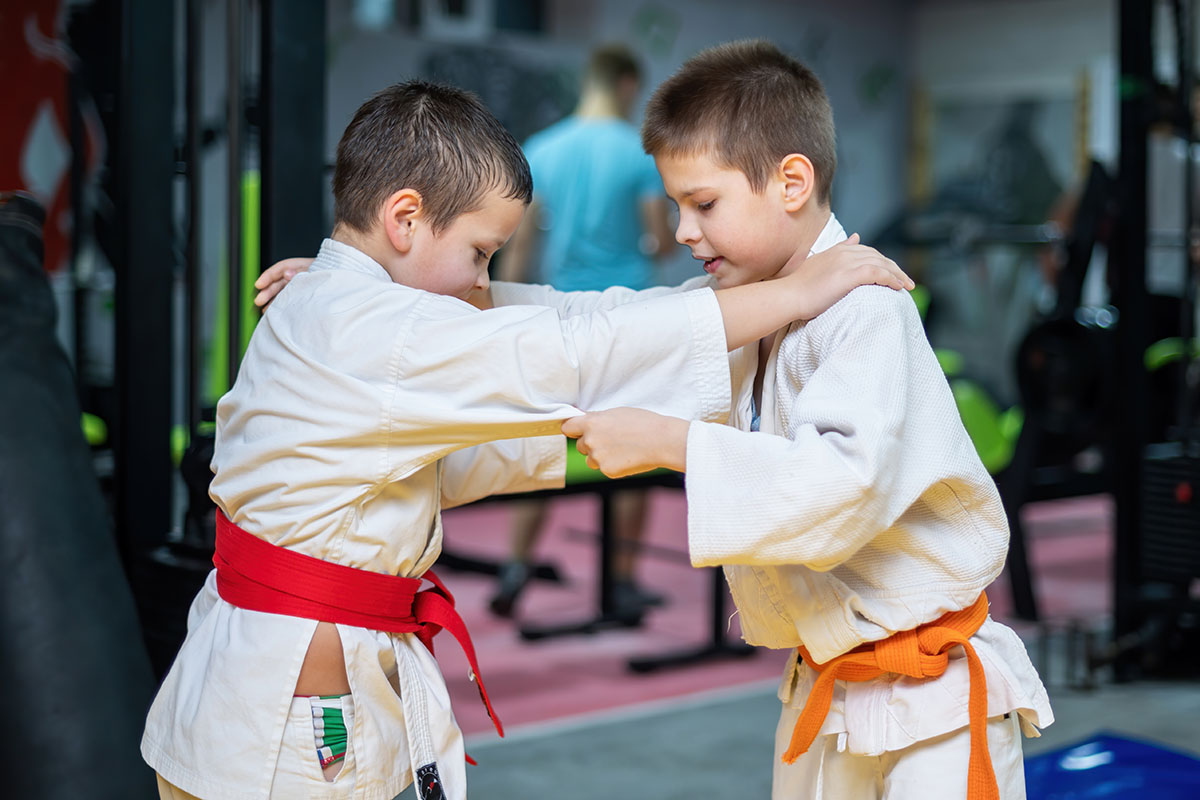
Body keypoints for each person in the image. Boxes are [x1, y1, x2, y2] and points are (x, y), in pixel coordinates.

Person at [145, 79, 911, 800]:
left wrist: (612, 425)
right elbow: (573, 348)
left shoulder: (338, 302)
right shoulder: (375, 328)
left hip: (256, 693)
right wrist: (794, 291)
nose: (484, 281)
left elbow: (533, 348)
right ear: (404, 220)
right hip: (287, 715)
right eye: (480, 252)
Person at [510, 41, 1054, 799]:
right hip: (824, 681)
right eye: (676, 207)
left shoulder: (865, 307)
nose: (684, 231)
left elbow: (841, 487)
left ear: (792, 182)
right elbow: (605, 326)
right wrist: (399, 295)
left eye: (702, 204)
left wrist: (674, 444)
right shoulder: (750, 309)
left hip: (931, 693)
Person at [488, 43, 676, 620]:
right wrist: (664, 238)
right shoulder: (637, 155)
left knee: (543, 443)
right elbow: (661, 241)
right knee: (636, 450)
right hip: (627, 319)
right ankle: (619, 581)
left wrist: (507, 315)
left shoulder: (542, 149)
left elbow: (521, 249)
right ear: (625, 85)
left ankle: (515, 564)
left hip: (561, 316)